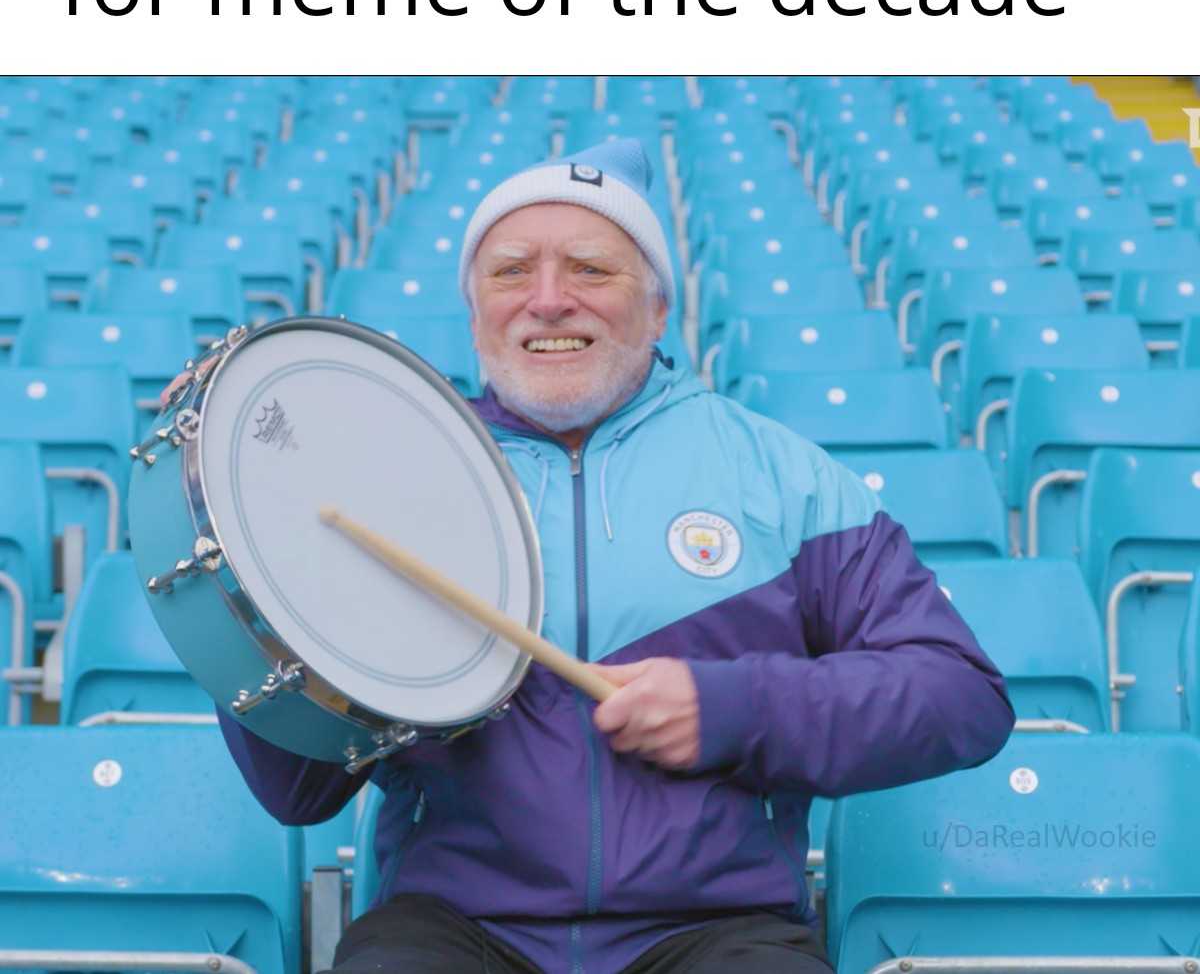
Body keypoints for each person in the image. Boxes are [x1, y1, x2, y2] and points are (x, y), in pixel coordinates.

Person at [210, 138, 1015, 973]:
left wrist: (735, 708)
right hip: (452, 926)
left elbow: (961, 695)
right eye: (511, 271)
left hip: (719, 928)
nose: (549, 301)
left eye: (592, 270)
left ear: (659, 308)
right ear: (476, 307)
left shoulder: (786, 479)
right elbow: (297, 791)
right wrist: (238, 525)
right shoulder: (386, 477)